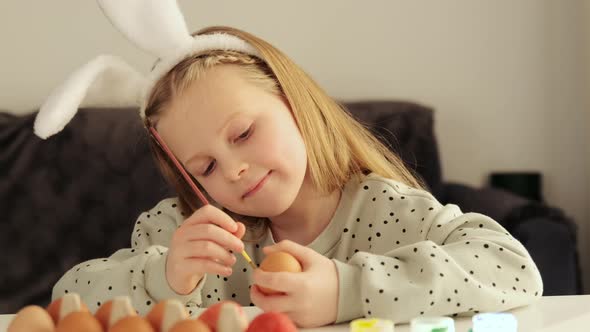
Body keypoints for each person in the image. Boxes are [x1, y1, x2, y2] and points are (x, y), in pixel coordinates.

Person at [35, 0, 543, 328]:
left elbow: (515, 269)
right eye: (205, 168)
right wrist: (166, 277)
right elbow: (68, 298)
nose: (232, 169)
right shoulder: (186, 231)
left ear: (295, 104)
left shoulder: (383, 210)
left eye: (243, 133)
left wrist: (348, 290)